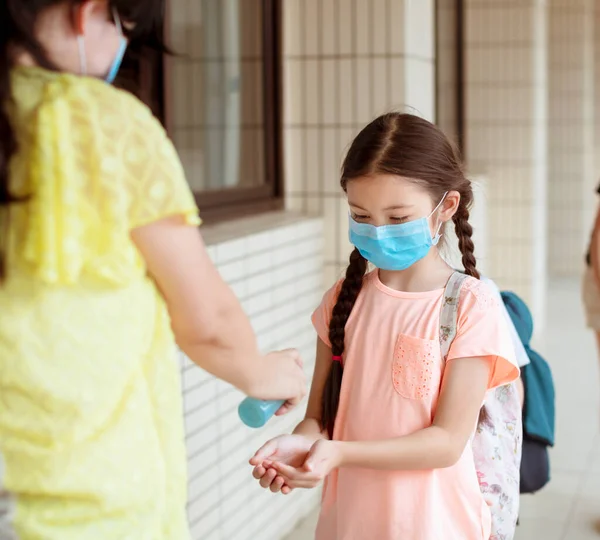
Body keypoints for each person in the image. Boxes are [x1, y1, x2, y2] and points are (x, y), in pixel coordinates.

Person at [0, 1, 305, 538]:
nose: (120, 51)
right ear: (89, 12)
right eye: (126, 32)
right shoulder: (97, 120)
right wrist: (264, 372)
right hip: (91, 497)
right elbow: (206, 318)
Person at [250, 112, 520, 540]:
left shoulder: (470, 306)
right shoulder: (344, 298)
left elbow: (447, 442)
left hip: (438, 525)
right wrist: (302, 445)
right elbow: (319, 417)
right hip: (350, 521)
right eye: (361, 216)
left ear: (445, 207)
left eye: (397, 219)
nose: (378, 232)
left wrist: (338, 453)